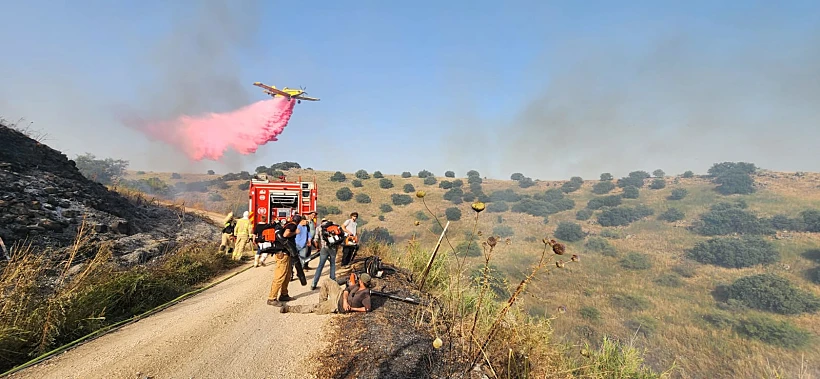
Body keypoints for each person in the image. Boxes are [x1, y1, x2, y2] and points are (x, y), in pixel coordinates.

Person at [280, 273, 373, 314]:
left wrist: (351, 308)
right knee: (326, 281)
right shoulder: (357, 286)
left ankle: (289, 309)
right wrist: (345, 300)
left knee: (313, 307)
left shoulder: (365, 295)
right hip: (339, 294)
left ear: (362, 282)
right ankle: (322, 303)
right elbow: (347, 290)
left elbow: (367, 309)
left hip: (336, 305)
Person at [267, 215, 301, 306]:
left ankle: (284, 294)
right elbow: (286, 234)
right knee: (280, 275)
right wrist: (295, 233)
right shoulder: (293, 226)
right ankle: (272, 298)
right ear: (298, 221)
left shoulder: (287, 224)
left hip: (285, 253)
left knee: (287, 275)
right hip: (283, 254)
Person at [310, 218, 339, 290]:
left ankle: (314, 284)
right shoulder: (333, 226)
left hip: (324, 248)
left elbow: (316, 240)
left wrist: (318, 248)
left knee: (320, 266)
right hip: (333, 248)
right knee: (332, 265)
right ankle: (333, 282)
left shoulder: (319, 228)